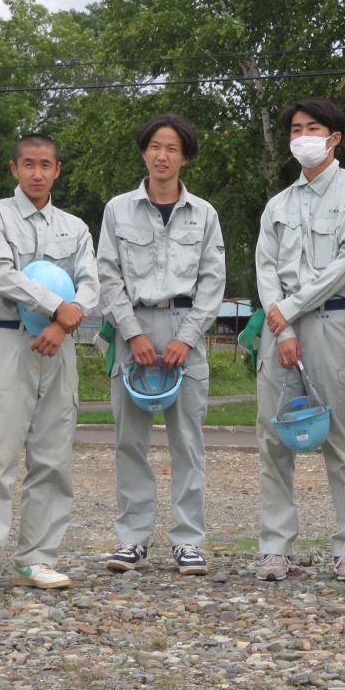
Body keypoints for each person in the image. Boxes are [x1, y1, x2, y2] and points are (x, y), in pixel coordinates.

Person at [0, 134, 99, 600]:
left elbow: (90, 286)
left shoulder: (75, 228)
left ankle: (38, 559)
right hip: (9, 341)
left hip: (61, 347)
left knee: (54, 457)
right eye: (28, 164)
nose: (37, 173)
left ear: (58, 170)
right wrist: (59, 306)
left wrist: (63, 323)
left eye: (46, 165)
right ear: (13, 168)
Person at [96, 114, 226, 576]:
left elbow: (213, 281)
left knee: (187, 443)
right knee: (129, 440)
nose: (162, 156)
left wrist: (187, 339)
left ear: (185, 156)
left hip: (184, 329)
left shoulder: (204, 214)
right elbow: (106, 273)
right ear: (144, 152)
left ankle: (188, 541)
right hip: (134, 326)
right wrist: (131, 333)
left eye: (172, 148)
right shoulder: (117, 210)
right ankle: (132, 539)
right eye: (154, 146)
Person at [253, 98, 345, 582]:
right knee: (273, 437)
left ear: (334, 138)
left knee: (341, 439)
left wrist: (292, 311)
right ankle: (275, 547)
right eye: (295, 129)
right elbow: (264, 267)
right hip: (278, 326)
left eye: (313, 128)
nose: (302, 136)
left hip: (333, 323)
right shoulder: (277, 205)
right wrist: (279, 324)